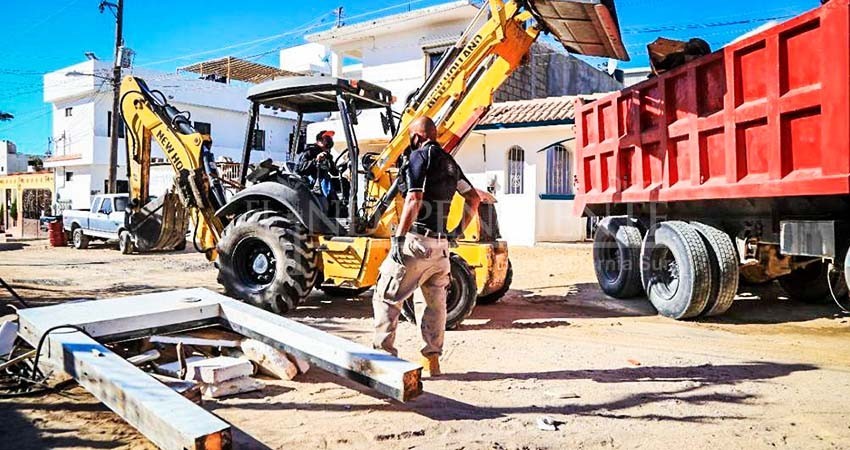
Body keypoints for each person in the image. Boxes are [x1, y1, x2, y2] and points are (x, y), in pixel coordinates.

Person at [371, 116, 481, 377]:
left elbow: (414, 198)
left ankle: (384, 361)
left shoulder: (419, 157)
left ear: (417, 137)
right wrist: (457, 231)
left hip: (417, 243)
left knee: (386, 295)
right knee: (434, 305)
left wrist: (399, 237)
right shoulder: (450, 163)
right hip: (441, 248)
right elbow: (473, 198)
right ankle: (432, 358)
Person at [295, 130, 338, 200]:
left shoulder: (327, 155)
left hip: (321, 181)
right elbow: (300, 168)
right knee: (325, 178)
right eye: (326, 139)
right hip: (309, 180)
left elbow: (334, 172)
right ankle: (331, 203)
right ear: (319, 141)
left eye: (330, 139)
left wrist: (345, 164)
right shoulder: (310, 151)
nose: (329, 141)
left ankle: (343, 203)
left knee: (343, 182)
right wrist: (316, 160)